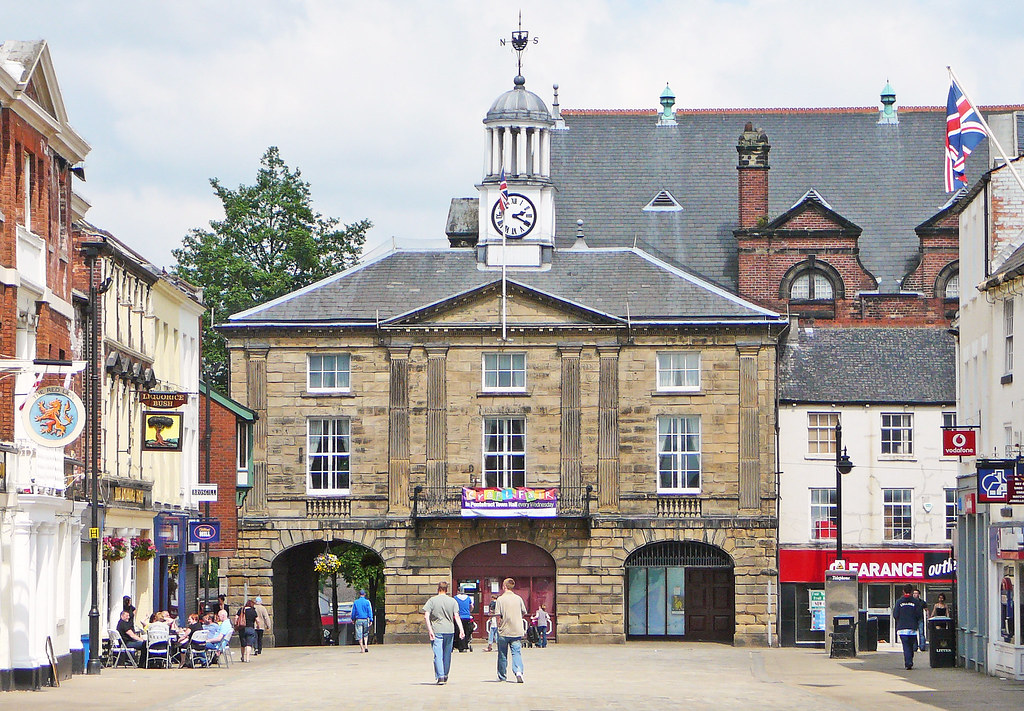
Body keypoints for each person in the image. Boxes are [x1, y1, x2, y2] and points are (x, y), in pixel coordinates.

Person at [423, 581, 464, 685]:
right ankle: (445, 675)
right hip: (450, 630)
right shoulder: (453, 601)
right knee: (447, 654)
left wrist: (430, 630)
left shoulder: (432, 601)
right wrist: (461, 630)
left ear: (438, 589)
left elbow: (426, 616)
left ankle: (440, 676)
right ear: (447, 589)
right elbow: (457, 616)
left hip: (437, 630)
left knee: (438, 654)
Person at [494, 577, 528, 683]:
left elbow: (498, 615)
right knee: (516, 652)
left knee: (502, 654)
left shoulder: (500, 599)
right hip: (516, 630)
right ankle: (518, 671)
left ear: (504, 587)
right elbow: (524, 612)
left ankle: (502, 675)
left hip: (504, 630)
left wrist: (499, 625)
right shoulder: (518, 598)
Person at [893, 584, 924, 670]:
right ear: (911, 591)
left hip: (902, 628)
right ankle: (909, 661)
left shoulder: (899, 601)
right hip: (912, 628)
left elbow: (895, 614)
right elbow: (919, 614)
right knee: (911, 646)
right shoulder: (915, 602)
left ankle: (908, 662)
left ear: (903, 591)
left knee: (906, 646)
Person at [351, 589, 374, 653]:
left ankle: (362, 648)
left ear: (359, 594)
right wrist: (371, 619)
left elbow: (353, 612)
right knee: (365, 633)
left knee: (359, 634)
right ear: (365, 594)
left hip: (358, 620)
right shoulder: (367, 602)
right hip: (365, 619)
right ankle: (366, 646)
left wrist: (353, 619)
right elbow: (370, 611)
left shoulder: (356, 602)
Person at [455, 587, 474, 652]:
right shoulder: (468, 598)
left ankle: (460, 646)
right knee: (466, 631)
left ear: (458, 591)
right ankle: (466, 645)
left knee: (459, 631)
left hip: (459, 617)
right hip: (467, 617)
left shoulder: (455, 598)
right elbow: (472, 606)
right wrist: (469, 611)